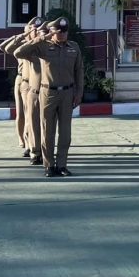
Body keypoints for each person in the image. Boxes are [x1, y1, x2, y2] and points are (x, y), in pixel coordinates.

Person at [14, 17, 84, 178]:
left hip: (67, 93)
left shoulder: (74, 47)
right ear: (52, 32)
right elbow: (18, 52)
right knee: (47, 131)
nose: (62, 34)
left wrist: (79, 93)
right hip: (48, 93)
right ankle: (49, 165)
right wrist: (40, 38)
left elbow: (79, 71)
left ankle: (62, 165)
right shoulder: (43, 47)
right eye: (59, 32)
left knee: (65, 133)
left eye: (64, 32)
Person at [1, 17, 45, 161]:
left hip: (35, 84)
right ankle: (25, 141)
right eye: (33, 29)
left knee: (32, 117)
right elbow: (5, 48)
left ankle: (32, 145)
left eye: (38, 29)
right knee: (23, 114)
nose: (36, 31)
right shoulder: (24, 45)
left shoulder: (41, 46)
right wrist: (22, 36)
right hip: (23, 81)